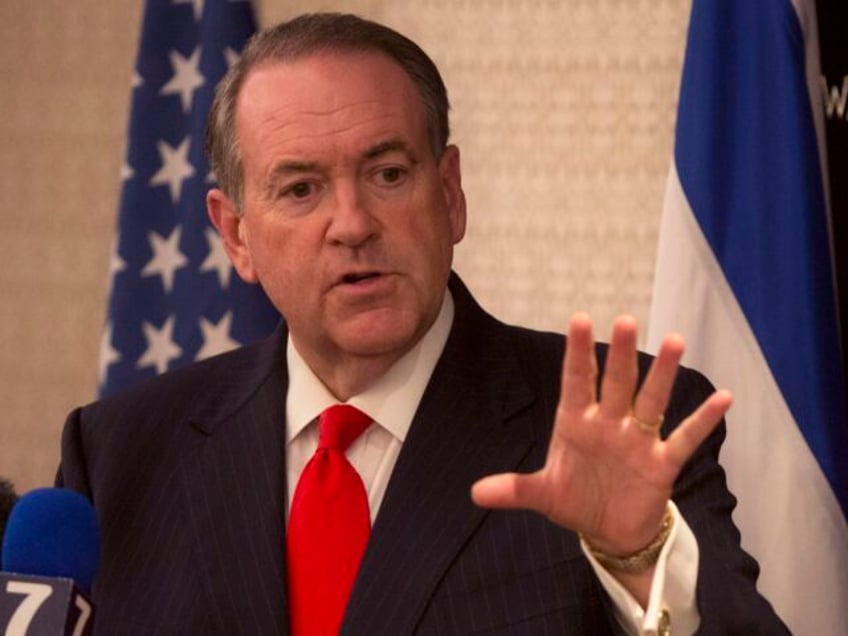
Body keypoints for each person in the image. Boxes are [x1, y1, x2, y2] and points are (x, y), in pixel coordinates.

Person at [57, 13, 788, 635]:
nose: (352, 224)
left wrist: (638, 557)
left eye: (388, 175)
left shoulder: (617, 421)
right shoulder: (123, 451)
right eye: (302, 188)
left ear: (450, 194)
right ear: (237, 235)